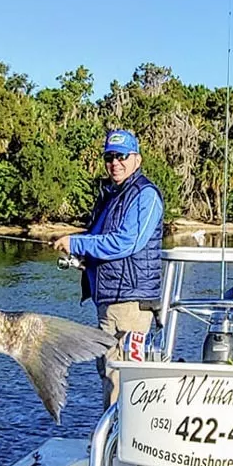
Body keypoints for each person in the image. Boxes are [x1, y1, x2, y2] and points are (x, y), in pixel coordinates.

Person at [52, 129, 164, 409]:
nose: (115, 163)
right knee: (108, 370)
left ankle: (123, 441)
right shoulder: (113, 196)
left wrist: (77, 243)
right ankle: (112, 438)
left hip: (130, 305)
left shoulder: (145, 195)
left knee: (124, 373)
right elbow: (102, 239)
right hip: (109, 301)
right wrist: (81, 252)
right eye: (109, 157)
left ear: (136, 159)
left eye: (122, 156)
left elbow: (128, 242)